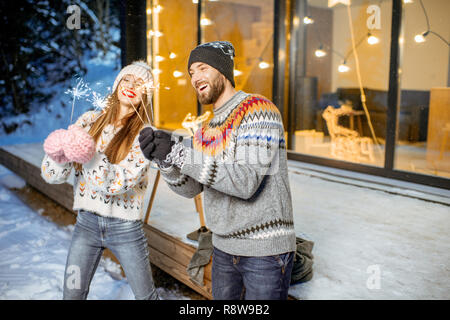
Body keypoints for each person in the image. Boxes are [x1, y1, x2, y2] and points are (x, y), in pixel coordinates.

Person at [138, 41, 296, 300]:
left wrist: (179, 152)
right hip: (223, 249)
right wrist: (165, 160)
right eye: (191, 72)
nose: (195, 77)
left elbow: (245, 182)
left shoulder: (258, 110)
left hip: (264, 252)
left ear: (223, 70)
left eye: (202, 68)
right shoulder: (206, 130)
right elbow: (191, 188)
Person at [41, 61, 159, 300]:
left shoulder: (145, 135)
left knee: (147, 298)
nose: (131, 86)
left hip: (125, 229)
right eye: (127, 79)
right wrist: (58, 155)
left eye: (139, 84)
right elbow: (52, 175)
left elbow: (116, 184)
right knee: (72, 294)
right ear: (117, 84)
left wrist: (88, 154)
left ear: (145, 96)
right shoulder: (88, 121)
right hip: (86, 226)